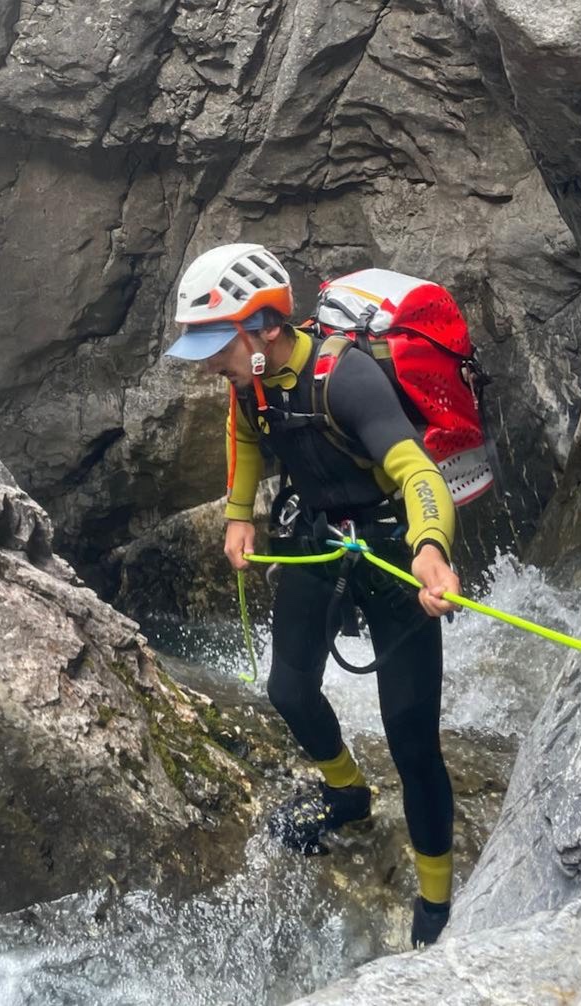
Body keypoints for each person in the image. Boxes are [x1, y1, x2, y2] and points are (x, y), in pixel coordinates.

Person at [165, 243, 462, 948]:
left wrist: (431, 551)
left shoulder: (347, 377)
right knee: (289, 689)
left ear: (266, 325)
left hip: (391, 547)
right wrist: (240, 514)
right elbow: (245, 430)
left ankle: (437, 894)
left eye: (217, 344)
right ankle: (346, 793)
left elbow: (417, 472)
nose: (208, 362)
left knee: (411, 737)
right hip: (317, 538)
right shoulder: (251, 378)